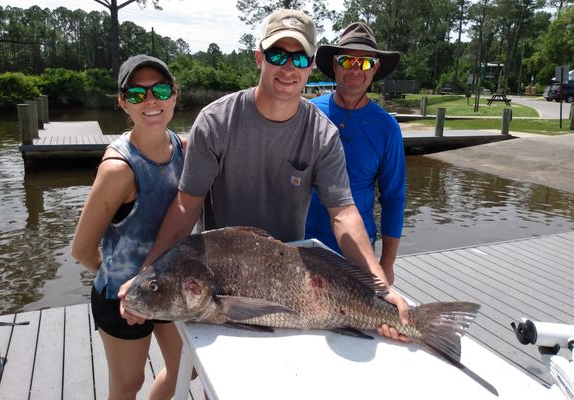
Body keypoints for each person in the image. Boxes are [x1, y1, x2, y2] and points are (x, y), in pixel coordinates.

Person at [119, 9, 409, 341]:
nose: (288, 68)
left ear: (312, 66)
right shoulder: (215, 122)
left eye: (300, 59)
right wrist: (149, 272)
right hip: (218, 279)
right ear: (259, 57)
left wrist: (379, 282)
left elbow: (343, 212)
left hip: (288, 282)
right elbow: (187, 205)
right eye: (277, 55)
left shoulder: (323, 134)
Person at [71, 54, 184, 400]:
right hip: (120, 297)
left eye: (160, 89)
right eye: (137, 94)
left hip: (167, 287)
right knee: (126, 385)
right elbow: (81, 249)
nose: (150, 100)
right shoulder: (119, 169)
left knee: (187, 369)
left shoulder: (183, 146)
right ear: (123, 103)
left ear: (174, 94)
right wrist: (127, 292)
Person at [305, 22, 406, 285]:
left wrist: (386, 264)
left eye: (364, 63)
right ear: (335, 65)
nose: (355, 70)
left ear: (375, 69)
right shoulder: (306, 113)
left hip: (357, 254)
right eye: (348, 60)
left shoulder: (387, 128)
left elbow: (394, 198)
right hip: (302, 245)